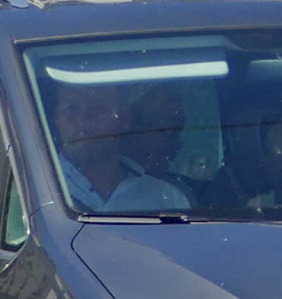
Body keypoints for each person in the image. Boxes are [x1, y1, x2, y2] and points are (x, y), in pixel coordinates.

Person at [49, 79, 189, 212]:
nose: (83, 120)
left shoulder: (166, 200)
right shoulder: (35, 187)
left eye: (98, 110)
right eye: (72, 109)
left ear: (124, 120)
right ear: (57, 119)